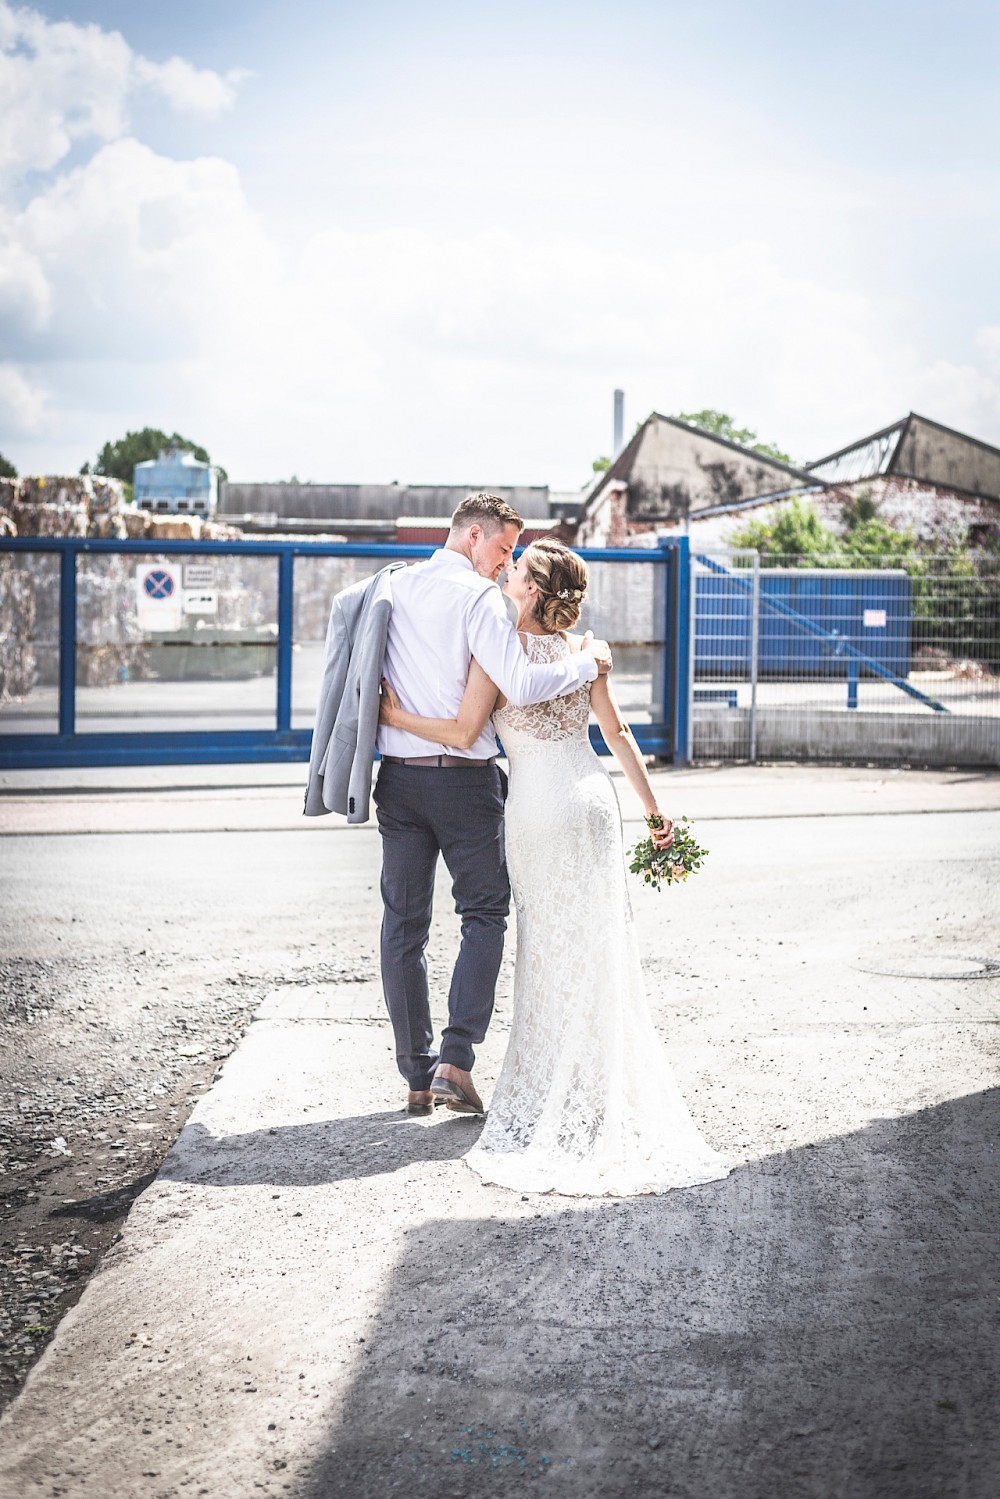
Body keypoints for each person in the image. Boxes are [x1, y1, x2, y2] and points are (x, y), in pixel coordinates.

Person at [379, 537, 731, 1197]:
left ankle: (548, 1090)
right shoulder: (583, 654)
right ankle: (597, 1087)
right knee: (598, 949)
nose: (505, 573)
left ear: (533, 591)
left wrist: (392, 714)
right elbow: (619, 736)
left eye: (517, 570)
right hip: (594, 801)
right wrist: (657, 815)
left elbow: (461, 734)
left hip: (539, 809)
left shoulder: (501, 652)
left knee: (546, 949)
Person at [374, 495, 613, 1119]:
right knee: (484, 913)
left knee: (403, 925)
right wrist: (586, 661)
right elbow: (526, 682)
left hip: (396, 781)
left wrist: (390, 719)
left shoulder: (393, 588)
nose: (505, 562)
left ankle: (415, 1077)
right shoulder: (478, 600)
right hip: (463, 782)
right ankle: (455, 1060)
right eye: (504, 549)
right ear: (473, 534)